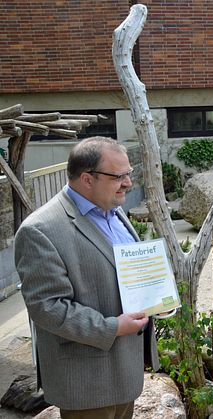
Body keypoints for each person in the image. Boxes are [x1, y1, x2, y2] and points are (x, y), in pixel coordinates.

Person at [14, 136, 159, 419]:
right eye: (119, 176)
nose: (128, 182)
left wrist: (154, 298)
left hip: (125, 373)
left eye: (128, 174)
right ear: (87, 179)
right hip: (86, 383)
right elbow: (48, 308)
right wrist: (112, 328)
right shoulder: (40, 230)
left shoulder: (113, 212)